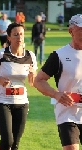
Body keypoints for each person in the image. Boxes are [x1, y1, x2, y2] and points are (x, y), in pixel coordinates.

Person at [0, 22, 37, 150]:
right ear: (9, 37)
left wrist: (32, 75)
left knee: (15, 144)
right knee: (7, 142)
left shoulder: (31, 56)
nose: (19, 37)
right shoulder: (1, 54)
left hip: (22, 103)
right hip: (3, 102)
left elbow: (32, 83)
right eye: (16, 35)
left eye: (21, 34)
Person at [33, 14, 82, 150]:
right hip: (67, 114)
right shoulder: (59, 55)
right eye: (81, 29)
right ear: (71, 31)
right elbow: (38, 81)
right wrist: (56, 94)